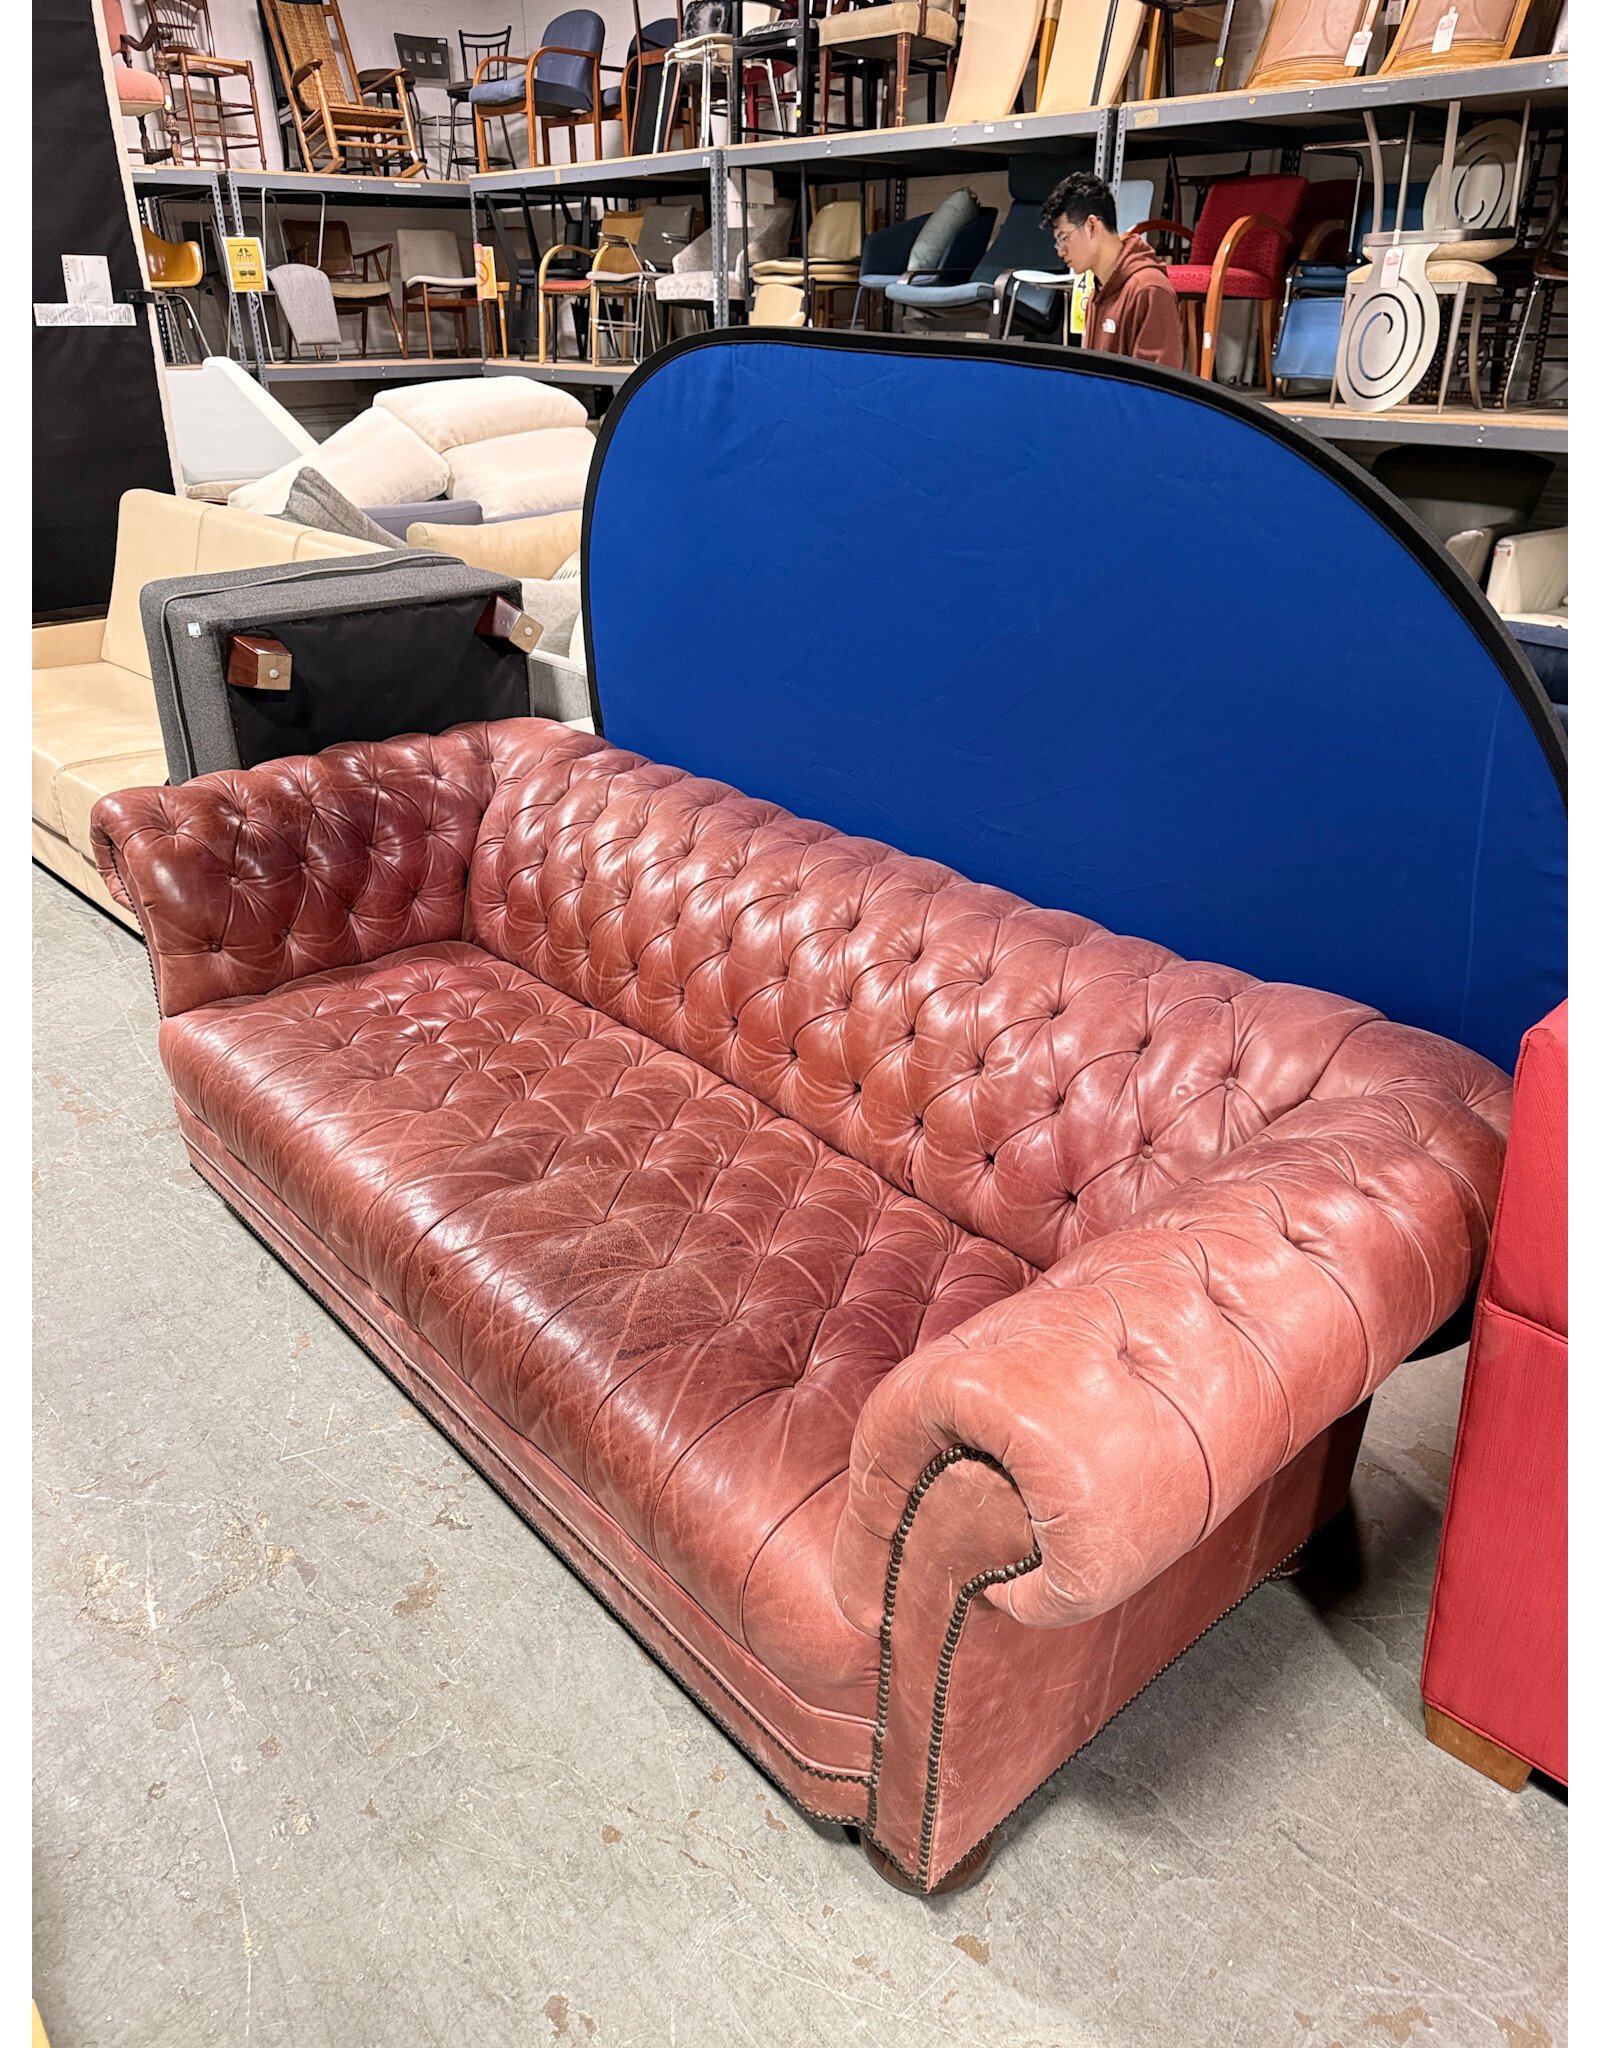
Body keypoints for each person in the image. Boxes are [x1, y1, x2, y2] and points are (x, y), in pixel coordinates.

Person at [1039, 172, 1184, 369]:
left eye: (1063, 237)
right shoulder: (1098, 291)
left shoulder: (1148, 290)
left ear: (1092, 225)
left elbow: (1157, 391)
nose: (1061, 251)